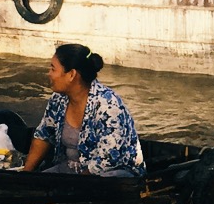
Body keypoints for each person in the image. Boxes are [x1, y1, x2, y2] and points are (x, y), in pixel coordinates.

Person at [21, 43, 145, 177]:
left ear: (71, 74)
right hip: (74, 169)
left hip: (113, 175)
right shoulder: (58, 99)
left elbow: (109, 158)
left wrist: (74, 187)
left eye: (53, 69)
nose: (49, 74)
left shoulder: (107, 105)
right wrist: (25, 175)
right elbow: (44, 135)